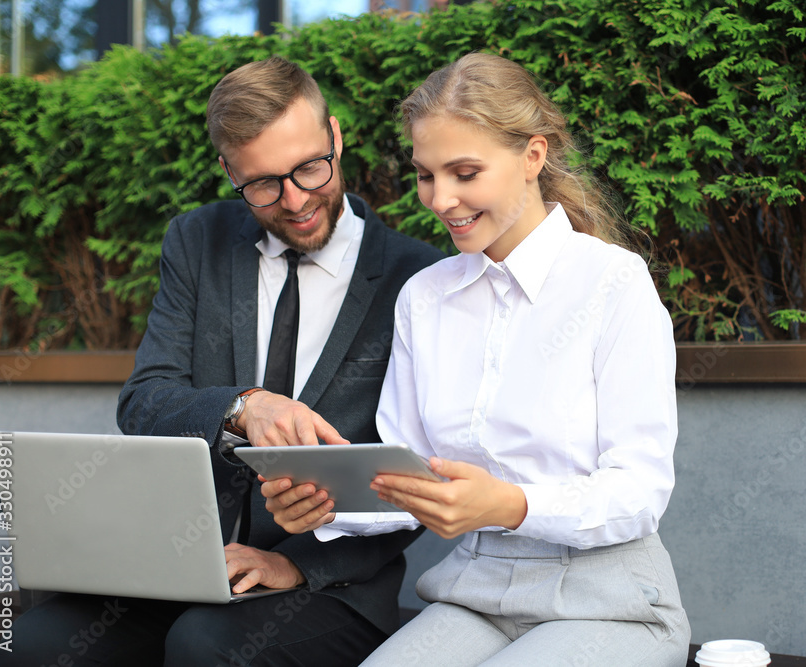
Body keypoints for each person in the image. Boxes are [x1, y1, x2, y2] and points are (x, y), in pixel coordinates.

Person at [0, 56, 443, 667]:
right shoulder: (195, 241)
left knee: (205, 645)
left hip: (326, 585)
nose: (295, 201)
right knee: (32, 646)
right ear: (229, 171)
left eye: (310, 168)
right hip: (175, 567)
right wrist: (242, 408)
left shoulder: (416, 278)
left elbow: (421, 473)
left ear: (335, 137)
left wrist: (291, 564)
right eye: (262, 184)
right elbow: (144, 401)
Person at [263, 52, 691, 665]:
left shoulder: (613, 283)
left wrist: (511, 505)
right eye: (425, 175)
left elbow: (640, 491)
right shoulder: (424, 298)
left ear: (533, 156)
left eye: (465, 173)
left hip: (610, 599)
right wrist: (324, 505)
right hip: (477, 592)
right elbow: (409, 475)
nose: (441, 199)